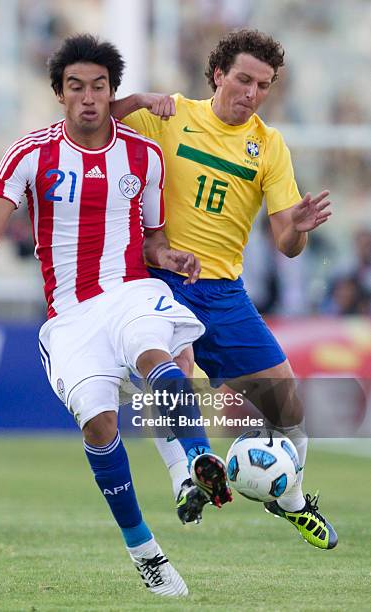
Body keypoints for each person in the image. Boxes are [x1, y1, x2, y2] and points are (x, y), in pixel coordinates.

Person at [0, 34, 232, 597]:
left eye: (100, 86)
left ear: (111, 91)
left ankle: (196, 460)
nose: (89, 98)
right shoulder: (31, 154)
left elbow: (152, 239)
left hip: (128, 292)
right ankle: (145, 552)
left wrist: (168, 255)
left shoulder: (143, 158)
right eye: (76, 87)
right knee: (100, 426)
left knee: (157, 356)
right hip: (70, 316)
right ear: (59, 94)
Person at [114, 29, 337, 549]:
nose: (251, 93)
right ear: (218, 74)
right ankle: (187, 477)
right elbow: (94, 120)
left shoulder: (270, 145)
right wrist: (138, 99)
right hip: (163, 283)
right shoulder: (169, 117)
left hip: (225, 295)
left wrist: (298, 228)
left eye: (263, 85)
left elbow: (286, 244)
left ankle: (293, 500)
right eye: (243, 80)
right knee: (176, 371)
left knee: (291, 412)